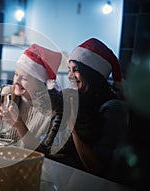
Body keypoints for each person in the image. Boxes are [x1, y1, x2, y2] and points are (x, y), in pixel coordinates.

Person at [40, 38, 129, 178]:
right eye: (69, 70)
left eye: (75, 70)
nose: (70, 76)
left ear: (91, 74)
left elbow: (97, 168)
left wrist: (73, 130)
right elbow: (48, 146)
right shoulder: (75, 102)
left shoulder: (112, 108)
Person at [0, 44, 62, 149]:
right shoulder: (5, 93)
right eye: (16, 74)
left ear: (40, 83)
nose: (16, 81)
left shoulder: (51, 111)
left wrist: (19, 125)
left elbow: (42, 153)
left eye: (24, 78)